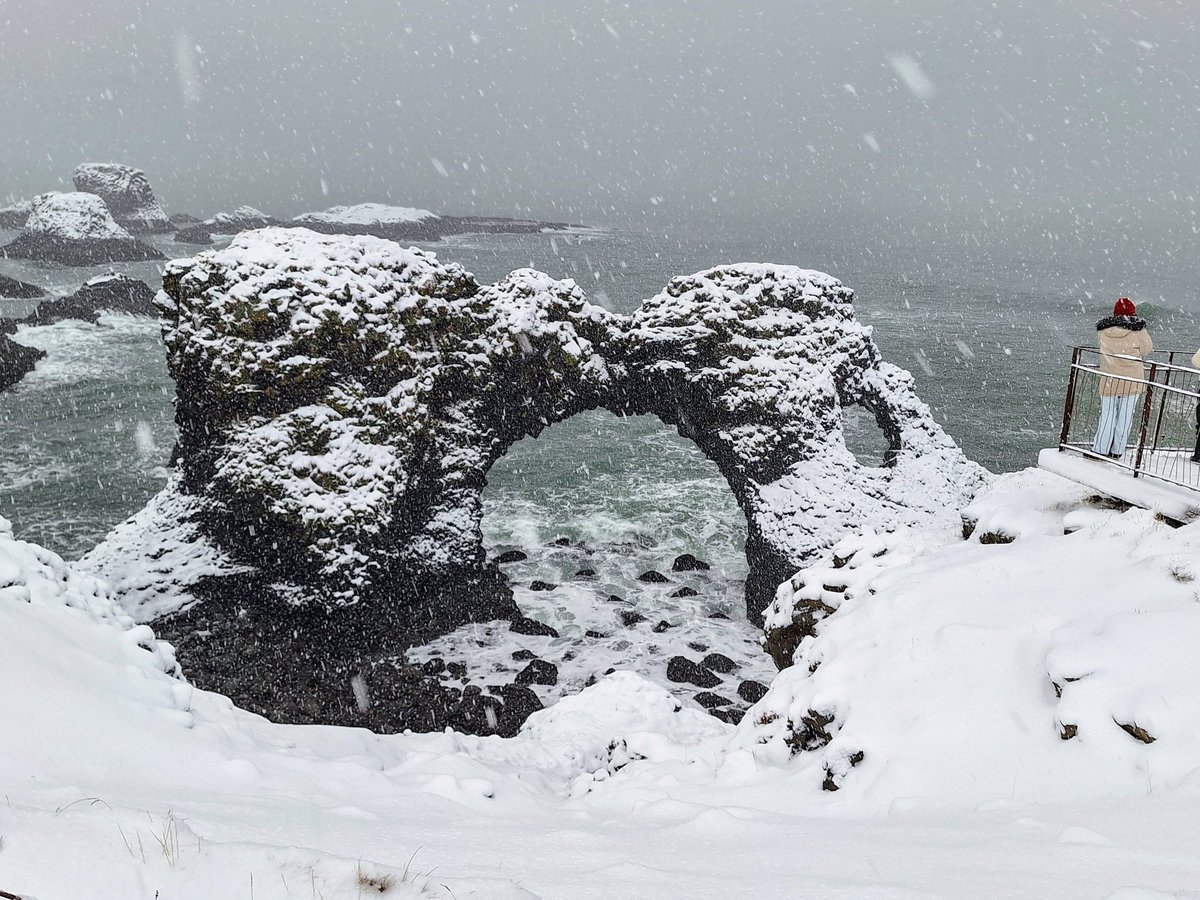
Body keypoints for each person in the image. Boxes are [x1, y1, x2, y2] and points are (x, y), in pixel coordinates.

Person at [1091, 297, 1153, 459]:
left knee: (1107, 415)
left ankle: (1100, 449)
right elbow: (1147, 349)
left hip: (1109, 378)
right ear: (1133, 313)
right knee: (1125, 417)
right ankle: (1117, 450)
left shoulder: (1103, 331)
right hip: (1132, 380)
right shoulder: (1138, 330)